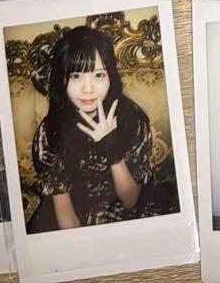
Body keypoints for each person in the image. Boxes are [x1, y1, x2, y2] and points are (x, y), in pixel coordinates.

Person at [28, 25, 177, 230]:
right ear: (61, 79)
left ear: (110, 76)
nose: (88, 89)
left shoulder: (132, 120)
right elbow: (65, 213)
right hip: (75, 214)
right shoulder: (50, 132)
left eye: (98, 75)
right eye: (76, 76)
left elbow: (131, 201)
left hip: (123, 212)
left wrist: (112, 148)